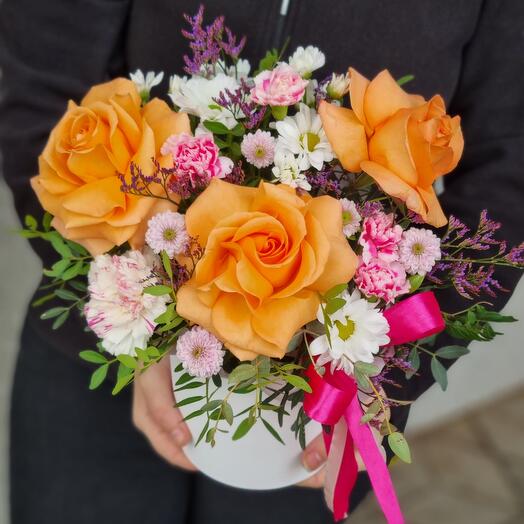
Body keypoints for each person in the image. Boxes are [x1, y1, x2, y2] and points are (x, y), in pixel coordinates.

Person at [1, 1, 523, 523]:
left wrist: (392, 365)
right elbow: (41, 93)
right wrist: (134, 316)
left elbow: (508, 167)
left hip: (317, 397)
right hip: (96, 350)